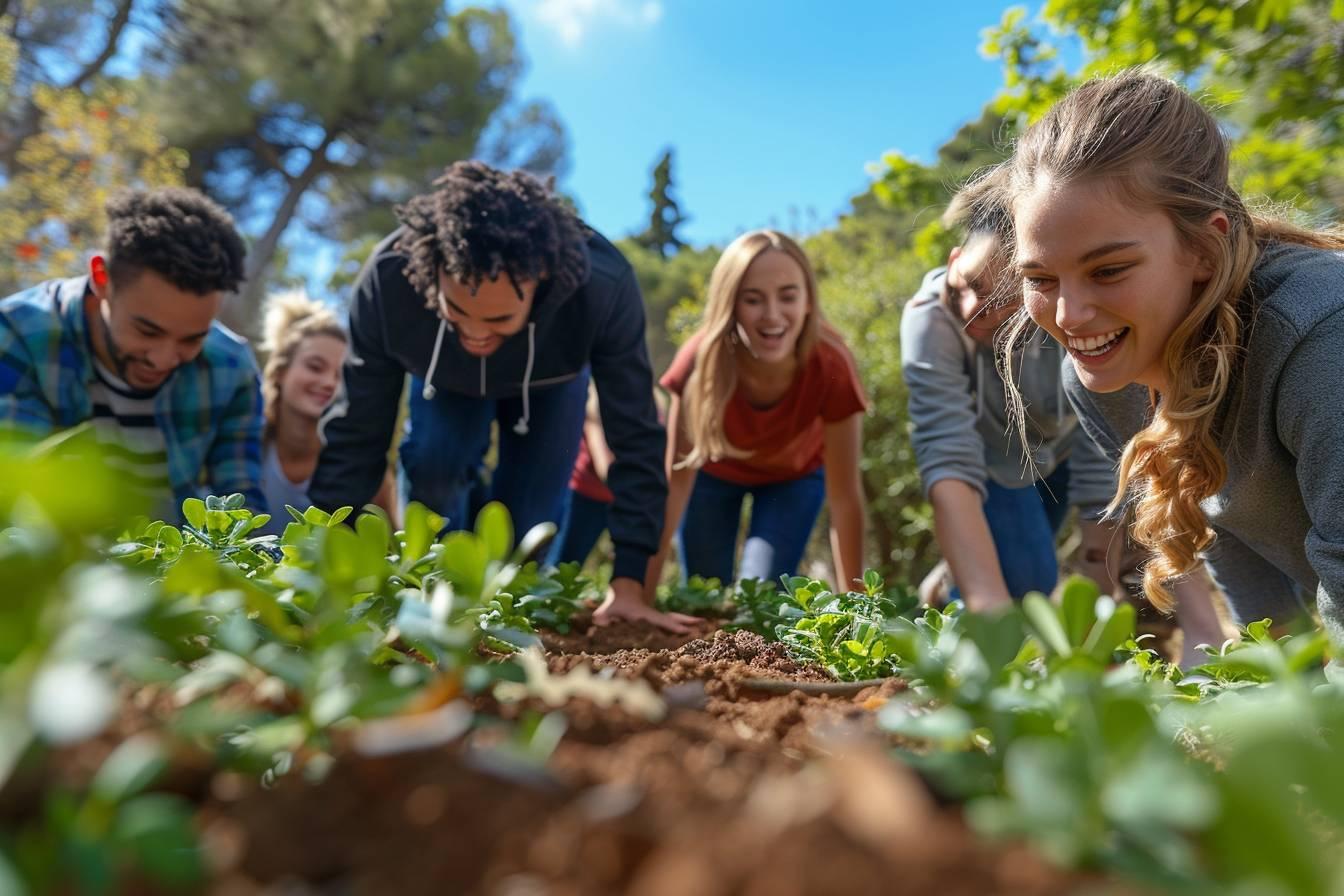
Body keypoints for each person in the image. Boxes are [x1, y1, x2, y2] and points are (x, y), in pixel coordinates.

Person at [997, 69, 1344, 643]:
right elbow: (1228, 531)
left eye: (1107, 270)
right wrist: (1283, 683)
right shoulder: (1103, 381)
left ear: (1204, 247)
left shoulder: (1320, 340)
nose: (1068, 316)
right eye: (1040, 278)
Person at [308, 161, 694, 634]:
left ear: (544, 280)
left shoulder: (602, 286)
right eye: (460, 310)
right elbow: (356, 431)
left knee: (526, 533)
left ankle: (507, 618)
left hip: (551, 381)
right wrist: (332, 564)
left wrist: (630, 583)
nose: (475, 333)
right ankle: (436, 597)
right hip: (442, 376)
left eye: (497, 320)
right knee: (435, 463)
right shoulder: (392, 280)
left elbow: (635, 436)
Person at [902, 178, 1224, 663]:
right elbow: (947, 459)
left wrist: (1100, 584)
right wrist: (989, 609)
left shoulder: (1070, 315)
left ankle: (1169, 631)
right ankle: (959, 599)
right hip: (993, 464)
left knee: (1130, 526)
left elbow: (1114, 446)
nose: (973, 311)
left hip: (1063, 450)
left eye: (1001, 303)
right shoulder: (931, 320)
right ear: (953, 261)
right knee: (1028, 582)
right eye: (968, 284)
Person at [0, 186, 263, 518]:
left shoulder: (232, 367)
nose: (164, 359)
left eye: (192, 339)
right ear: (102, 278)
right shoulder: (16, 336)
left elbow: (243, 507)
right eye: (147, 331)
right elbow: (12, 499)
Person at [646, 230, 868, 597]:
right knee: (706, 594)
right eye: (752, 299)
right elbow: (675, 483)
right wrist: (642, 596)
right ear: (729, 304)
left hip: (793, 479)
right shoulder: (698, 362)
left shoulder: (832, 364)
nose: (772, 315)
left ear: (809, 300)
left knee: (760, 597)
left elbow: (844, 495)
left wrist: (859, 606)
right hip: (713, 475)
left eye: (788, 296)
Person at [256, 291, 398, 536]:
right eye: (315, 367)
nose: (329, 382)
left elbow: (390, 546)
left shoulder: (364, 464)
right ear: (280, 371)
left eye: (341, 374)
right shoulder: (245, 443)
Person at [555, 384, 616, 567]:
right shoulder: (596, 398)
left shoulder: (654, 403)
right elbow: (603, 464)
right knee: (563, 564)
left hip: (616, 498)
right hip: (585, 496)